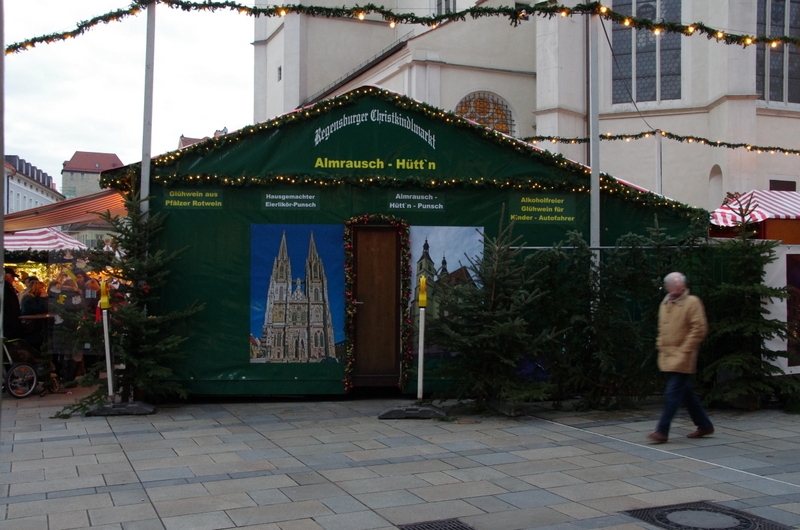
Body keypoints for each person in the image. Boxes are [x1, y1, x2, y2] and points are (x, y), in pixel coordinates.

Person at [648, 272, 715, 443]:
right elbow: (662, 328)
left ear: (683, 286)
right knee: (686, 393)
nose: (676, 288)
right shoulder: (665, 303)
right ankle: (705, 425)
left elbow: (699, 329)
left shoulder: (692, 302)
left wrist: (685, 349)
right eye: (671, 285)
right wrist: (660, 343)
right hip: (668, 354)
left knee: (672, 392)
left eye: (679, 284)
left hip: (683, 356)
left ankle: (662, 431)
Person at [19, 280, 49, 350]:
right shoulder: (29, 299)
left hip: (38, 327)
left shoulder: (35, 298)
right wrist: (42, 298)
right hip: (33, 327)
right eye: (41, 288)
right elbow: (40, 309)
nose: (43, 290)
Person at [3, 266, 23, 340]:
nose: (14, 279)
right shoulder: (6, 288)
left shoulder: (8, 287)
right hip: (9, 322)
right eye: (13, 277)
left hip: (11, 321)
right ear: (6, 276)